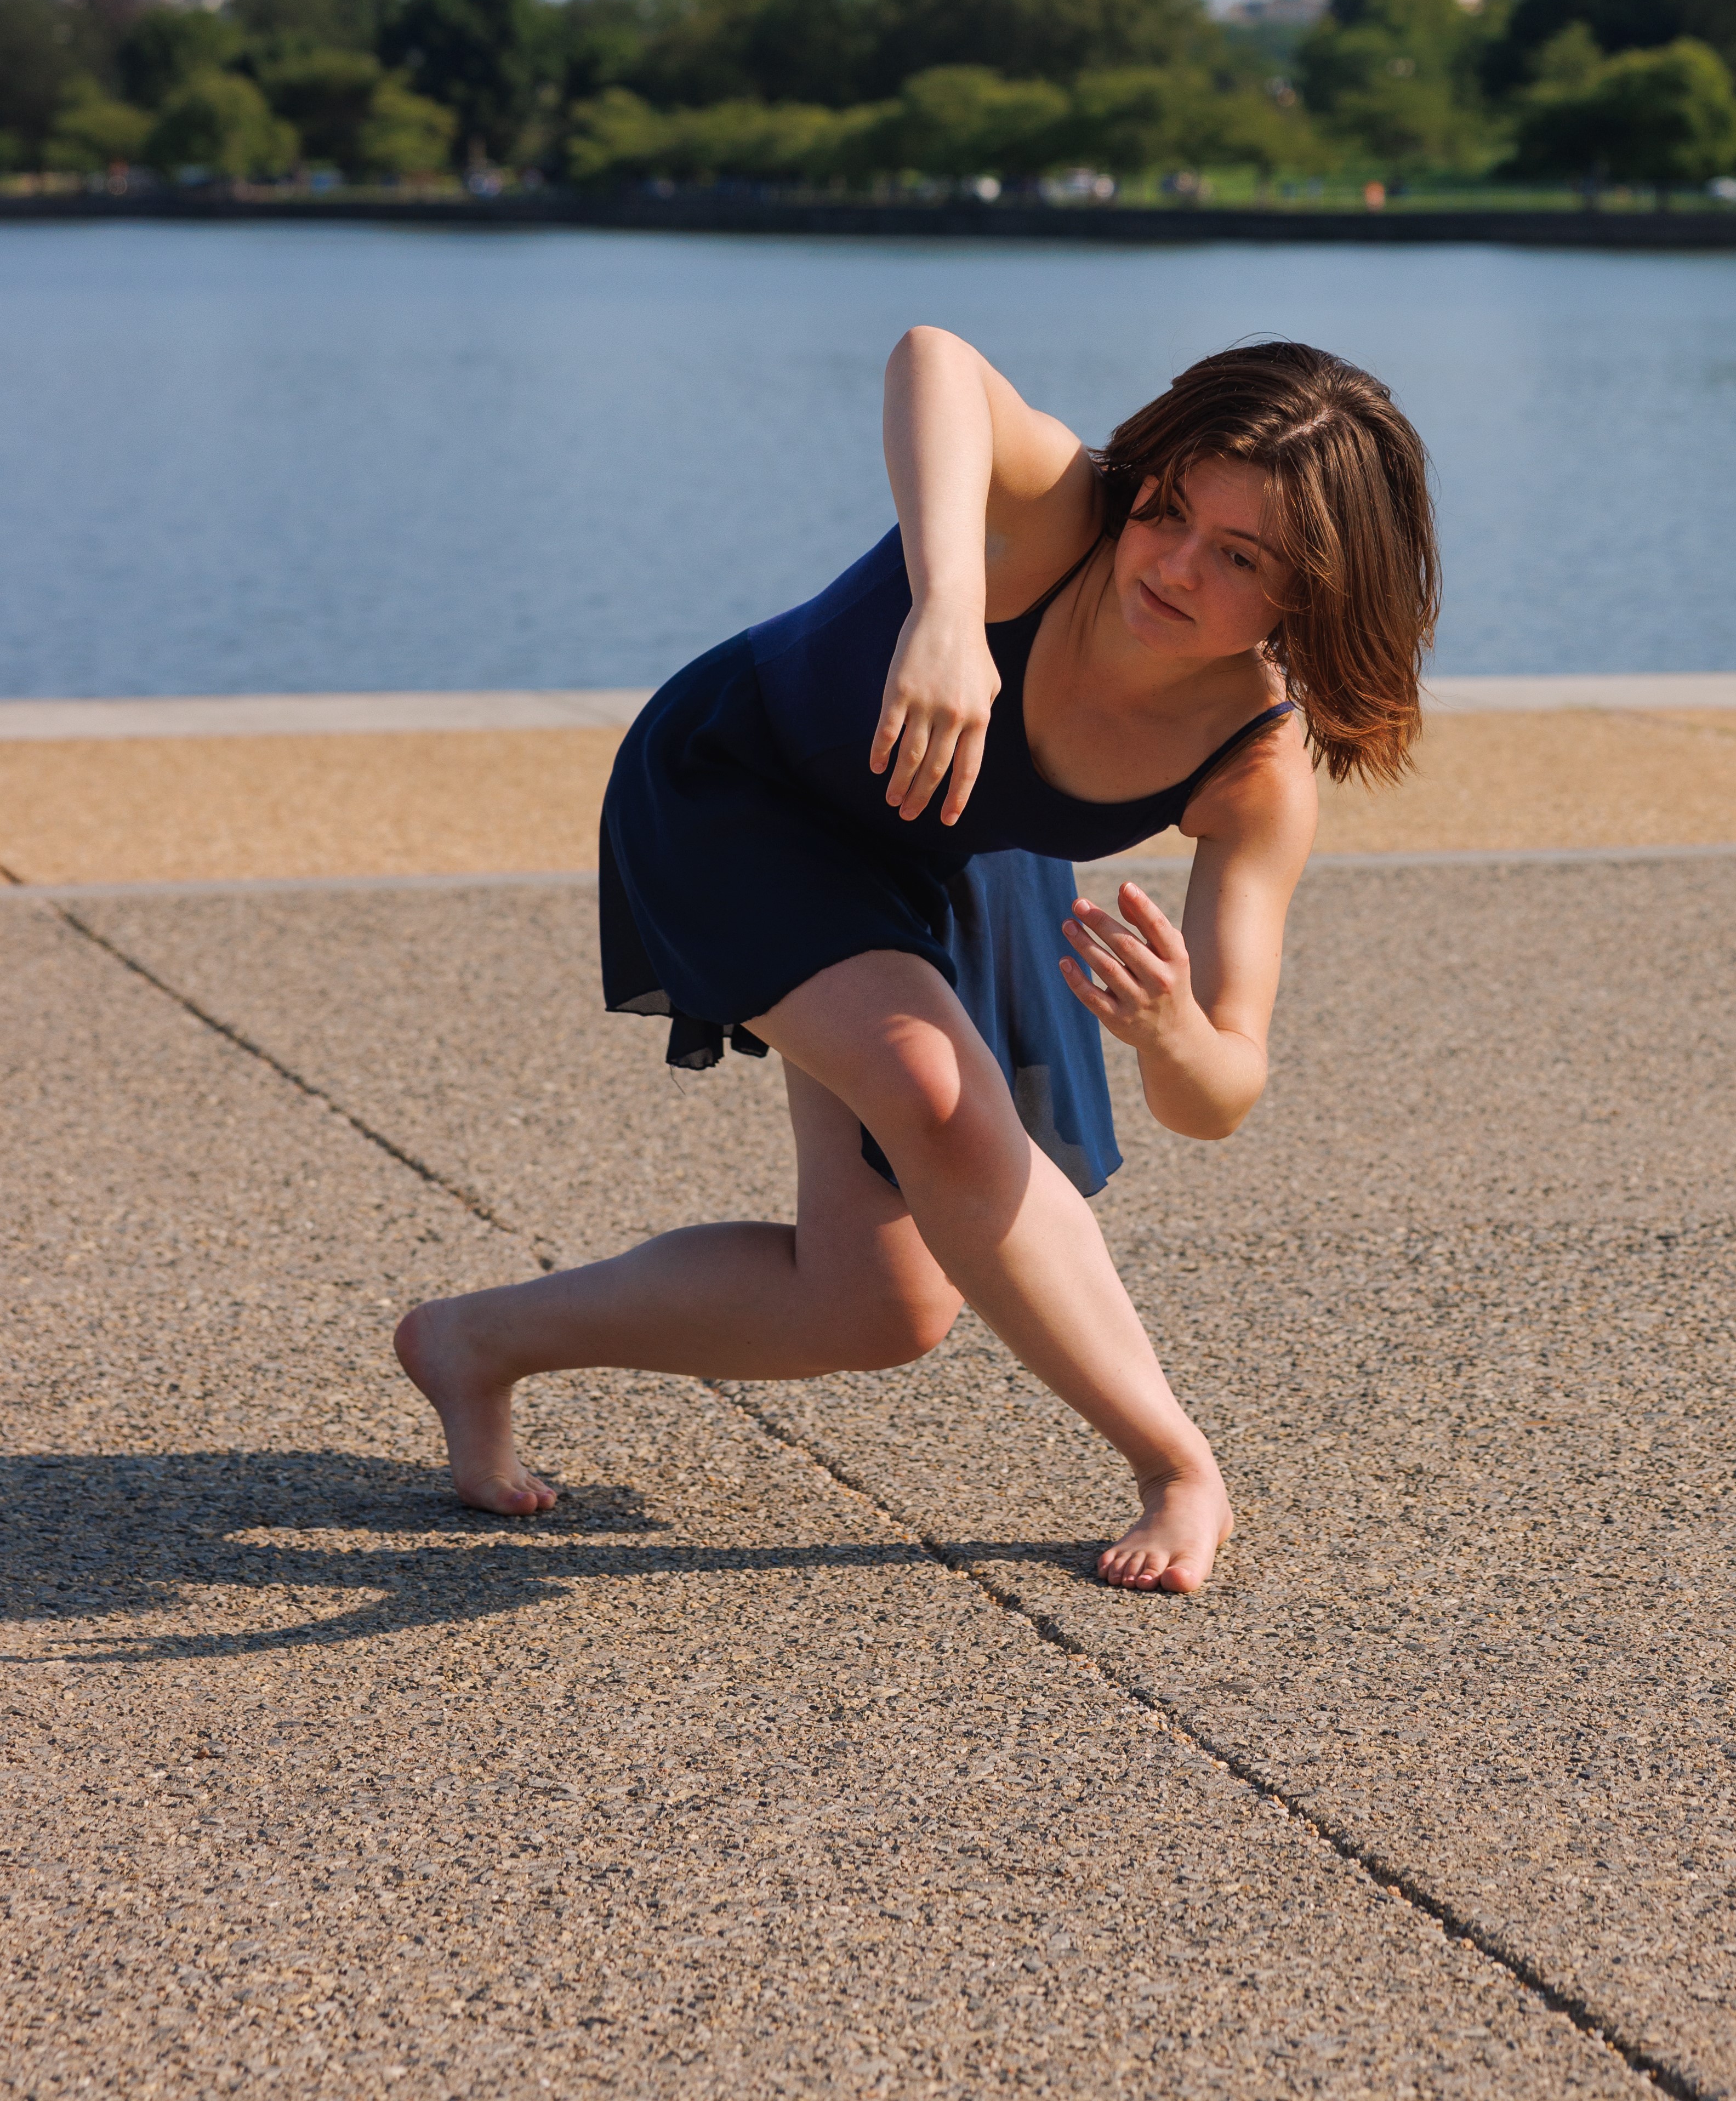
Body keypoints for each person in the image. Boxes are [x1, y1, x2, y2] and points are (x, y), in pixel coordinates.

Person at [397, 328, 1438, 1592]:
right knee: (943, 1107)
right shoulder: (1059, 519)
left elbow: (1216, 1094)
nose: (1168, 564)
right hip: (742, 789)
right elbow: (932, 358)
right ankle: (1176, 1466)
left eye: (1238, 559)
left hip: (944, 854)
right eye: (1168, 511)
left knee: (876, 1311)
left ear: (1310, 596)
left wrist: (1169, 1033)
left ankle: (473, 1338)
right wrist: (948, 608)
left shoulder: (1254, 770)